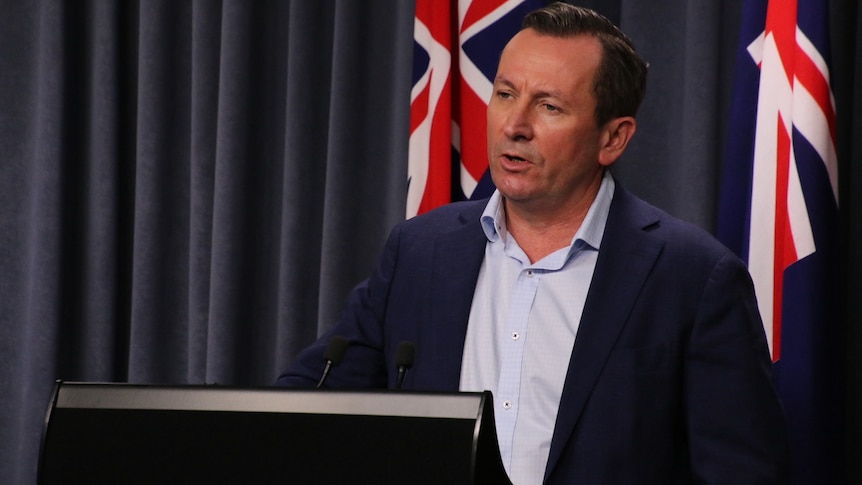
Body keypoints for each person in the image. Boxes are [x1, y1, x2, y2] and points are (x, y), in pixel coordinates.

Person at [277, 3, 789, 484]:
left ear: (613, 138)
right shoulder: (419, 253)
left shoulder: (694, 279)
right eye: (505, 94)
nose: (514, 126)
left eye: (548, 106)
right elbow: (308, 410)